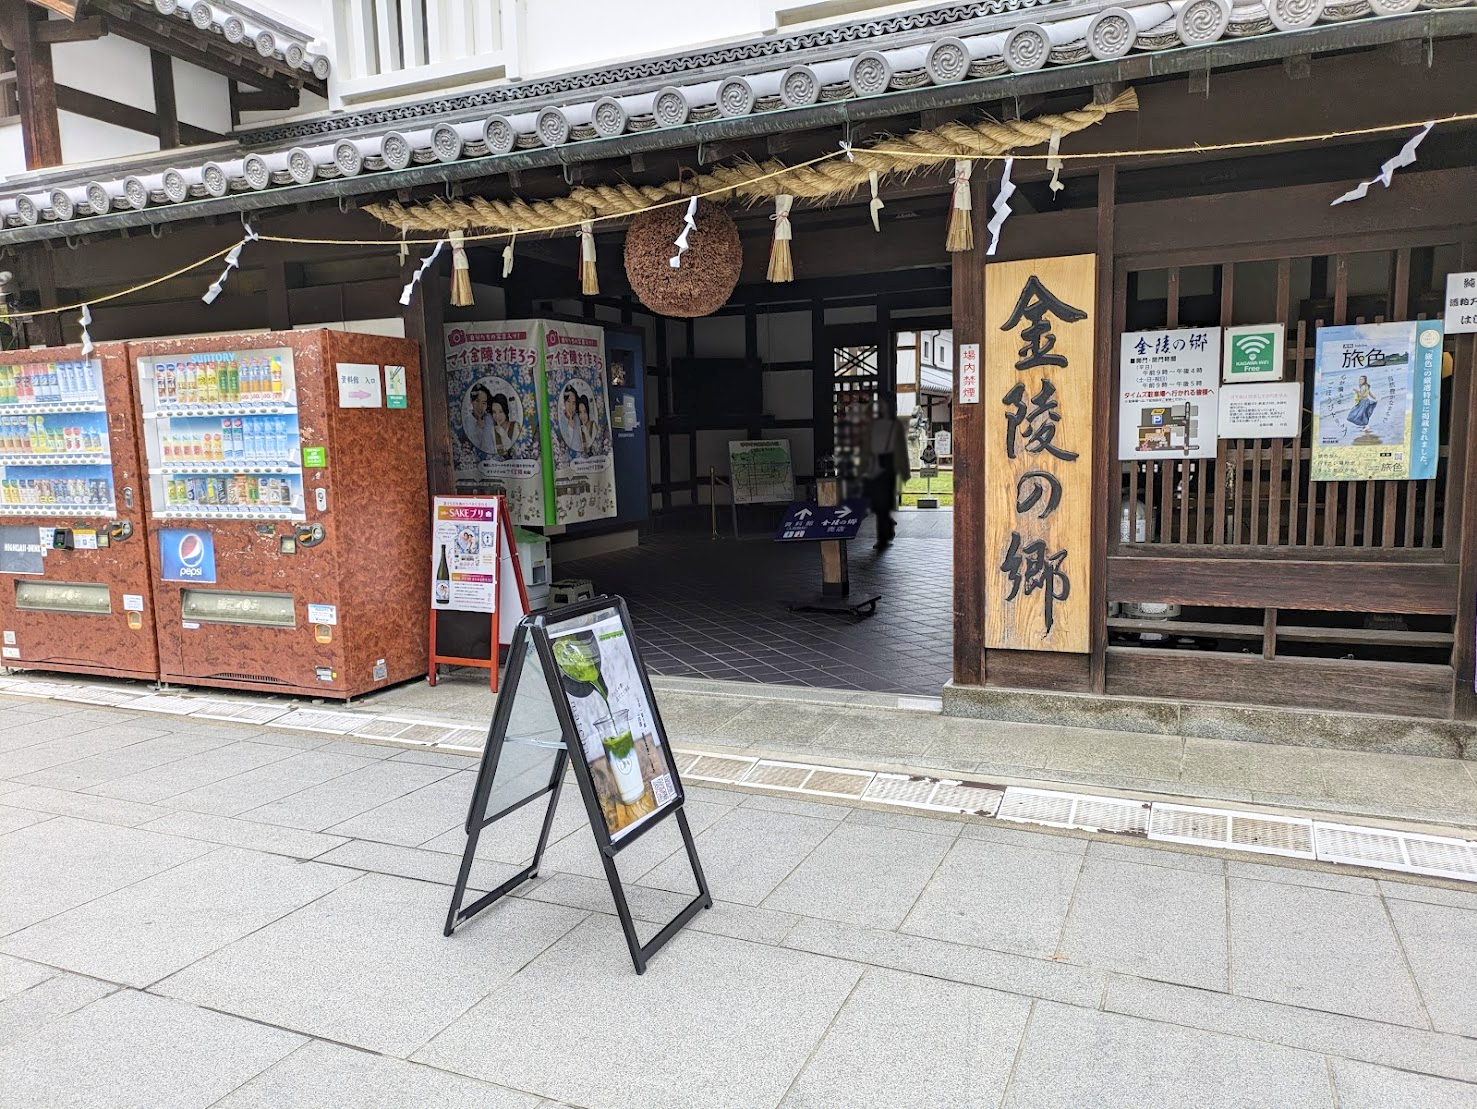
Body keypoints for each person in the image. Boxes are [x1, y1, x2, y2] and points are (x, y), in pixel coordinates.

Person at [864, 396, 911, 550]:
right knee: (878, 504)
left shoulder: (894, 425)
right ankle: (888, 526)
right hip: (877, 464)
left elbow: (901, 448)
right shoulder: (876, 424)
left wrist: (904, 469)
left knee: (882, 504)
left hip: (888, 465)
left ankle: (883, 537)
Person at [464, 384, 501, 456]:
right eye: (477, 401)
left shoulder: (490, 418)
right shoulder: (467, 421)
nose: (480, 406)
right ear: (471, 401)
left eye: (484, 403)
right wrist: (478, 429)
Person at [488, 393, 523, 457]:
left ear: (505, 411)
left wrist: (503, 434)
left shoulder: (515, 426)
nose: (497, 416)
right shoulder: (493, 430)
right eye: (494, 412)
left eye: (501, 411)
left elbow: (514, 451)